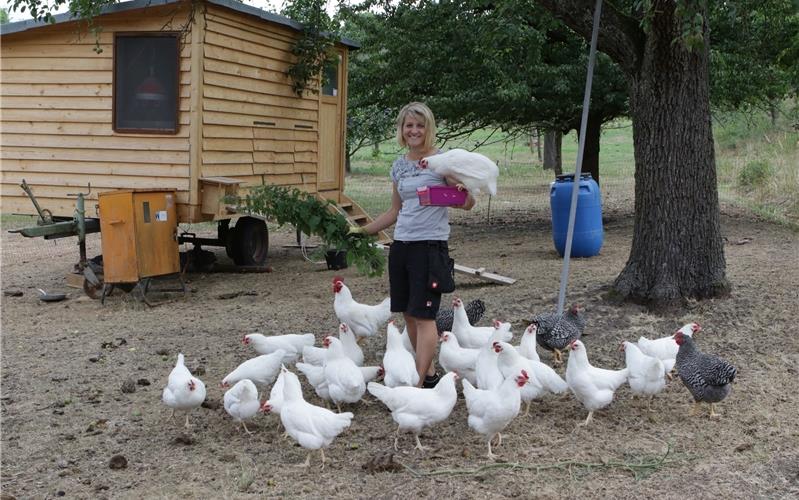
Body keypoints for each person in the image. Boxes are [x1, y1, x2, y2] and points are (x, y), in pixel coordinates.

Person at [349, 102, 475, 388]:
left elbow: (468, 202)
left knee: (425, 315)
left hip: (429, 247)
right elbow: (394, 212)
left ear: (428, 129)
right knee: (408, 313)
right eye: (409, 125)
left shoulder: (442, 162)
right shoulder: (399, 166)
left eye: (420, 125)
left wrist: (448, 194)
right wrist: (359, 232)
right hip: (402, 246)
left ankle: (415, 385)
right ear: (402, 130)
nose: (414, 130)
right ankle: (428, 373)